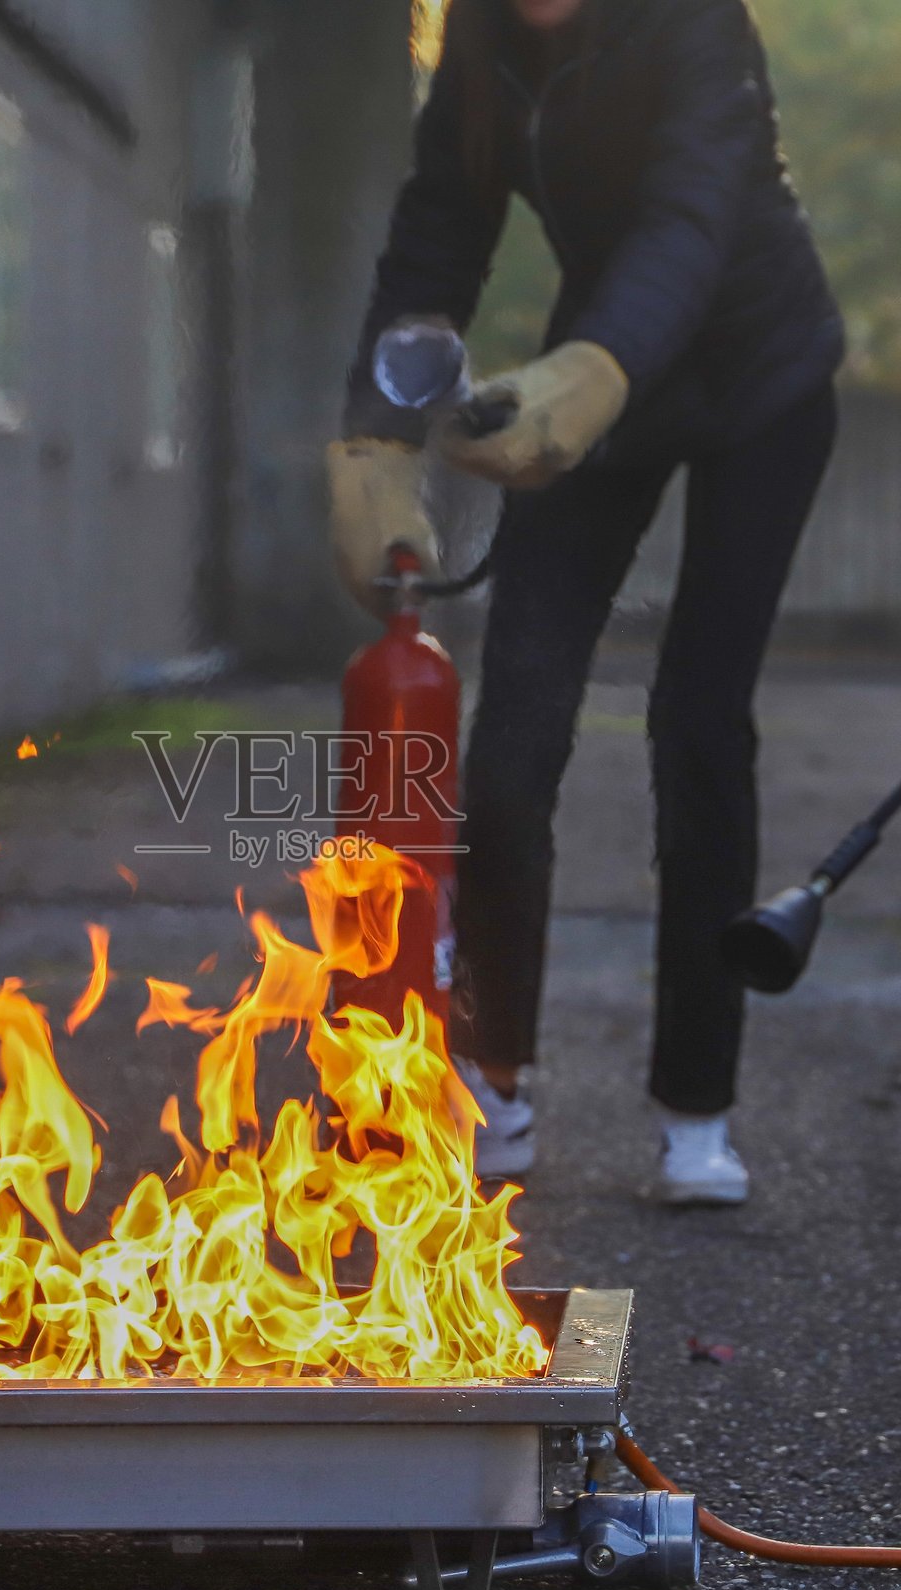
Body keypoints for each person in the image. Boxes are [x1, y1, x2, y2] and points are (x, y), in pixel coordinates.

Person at [328, 0, 843, 1203]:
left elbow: (690, 219)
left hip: (755, 373)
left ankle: (695, 1111)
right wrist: (375, 437)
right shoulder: (478, 41)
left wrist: (598, 365)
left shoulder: (698, 22)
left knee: (698, 721)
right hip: (592, 377)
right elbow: (439, 233)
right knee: (513, 733)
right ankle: (496, 1076)